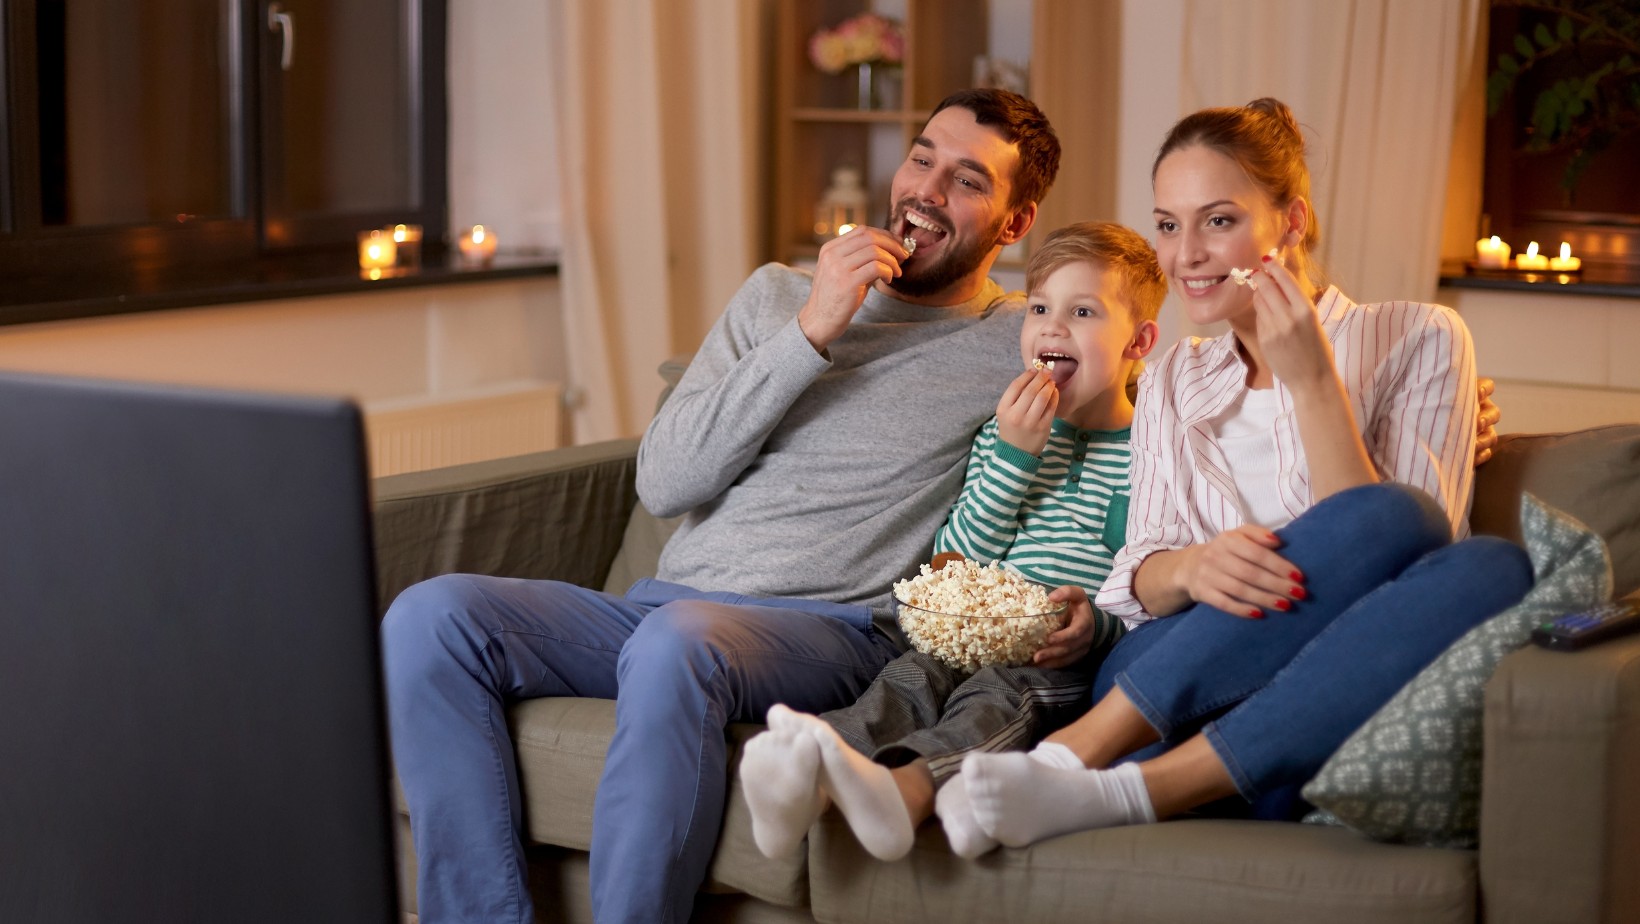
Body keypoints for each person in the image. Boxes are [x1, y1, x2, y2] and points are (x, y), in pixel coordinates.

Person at [379, 88, 1062, 924]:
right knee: (430, 616)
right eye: (921, 157)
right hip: (667, 610)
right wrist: (810, 332)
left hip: (833, 633)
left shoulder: (1017, 340)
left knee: (679, 643)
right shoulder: (779, 297)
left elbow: (1138, 387)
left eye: (966, 181)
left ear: (1014, 222)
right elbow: (665, 481)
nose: (926, 189)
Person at [946, 98, 1535, 849]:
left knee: (1485, 566)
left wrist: (1315, 383)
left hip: (1333, 673)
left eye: (1218, 221)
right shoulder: (1170, 376)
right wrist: (1194, 568)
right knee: (1399, 514)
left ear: (1289, 222)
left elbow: (1411, 568)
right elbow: (1137, 577)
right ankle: (1084, 749)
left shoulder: (1421, 336)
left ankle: (1121, 786)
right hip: (1173, 672)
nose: (1185, 252)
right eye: (1167, 223)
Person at [739, 221, 1165, 863]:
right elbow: (957, 559)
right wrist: (1016, 458)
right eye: (1040, 308)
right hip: (971, 631)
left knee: (997, 698)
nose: (1052, 328)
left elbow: (1150, 590)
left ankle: (906, 791)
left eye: (1082, 312)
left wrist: (1095, 630)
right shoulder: (1003, 437)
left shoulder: (1154, 458)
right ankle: (807, 779)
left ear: (1139, 341)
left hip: (1057, 662)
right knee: (906, 679)